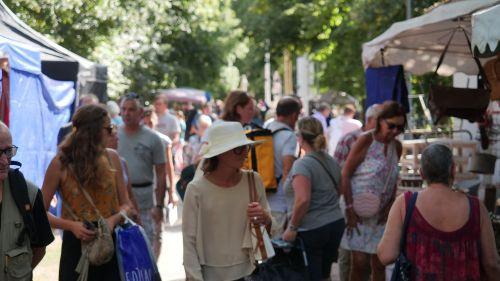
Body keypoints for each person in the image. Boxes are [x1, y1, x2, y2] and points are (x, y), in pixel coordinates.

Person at [378, 143, 500, 281]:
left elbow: (386, 255)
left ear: (422, 173)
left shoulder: (405, 204)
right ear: (453, 170)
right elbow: (491, 264)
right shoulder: (476, 207)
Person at [41, 104, 134, 280]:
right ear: (94, 132)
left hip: (110, 242)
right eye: (109, 128)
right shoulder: (60, 163)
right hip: (76, 246)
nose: (113, 132)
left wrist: (112, 220)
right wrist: (71, 226)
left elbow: (126, 204)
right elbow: (40, 212)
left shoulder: (112, 157)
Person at [183, 121, 273, 281]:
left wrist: (264, 216)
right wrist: (194, 277)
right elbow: (189, 241)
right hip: (209, 275)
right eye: (239, 148)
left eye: (246, 147)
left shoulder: (254, 180)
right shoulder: (196, 189)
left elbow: (271, 226)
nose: (245, 153)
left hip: (250, 272)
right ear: (221, 153)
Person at [340, 101, 405, 281]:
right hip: (357, 210)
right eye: (391, 125)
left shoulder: (396, 147)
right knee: (360, 263)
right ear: (380, 121)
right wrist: (350, 209)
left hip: (381, 213)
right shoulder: (366, 140)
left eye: (400, 127)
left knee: (380, 262)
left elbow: (392, 179)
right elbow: (345, 175)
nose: (395, 131)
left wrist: (390, 206)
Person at [282, 117, 345, 281]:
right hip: (335, 223)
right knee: (324, 275)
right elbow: (339, 190)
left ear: (300, 138)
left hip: (313, 229)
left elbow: (303, 199)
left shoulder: (303, 165)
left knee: (311, 276)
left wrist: (292, 228)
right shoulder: (330, 160)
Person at [0, 122, 54, 280]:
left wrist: (18, 274)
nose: (4, 161)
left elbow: (40, 247)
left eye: (8, 152)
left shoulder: (29, 193)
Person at [117, 94, 171, 252]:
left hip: (145, 201)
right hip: (119, 200)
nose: (127, 113)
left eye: (132, 109)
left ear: (141, 112)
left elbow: (161, 174)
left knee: (145, 245)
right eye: (124, 109)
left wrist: (160, 205)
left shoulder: (153, 138)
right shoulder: (113, 136)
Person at [334, 103, 381, 281]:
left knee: (371, 257)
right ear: (369, 120)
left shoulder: (383, 142)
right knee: (348, 256)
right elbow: (339, 175)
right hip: (349, 205)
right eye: (381, 121)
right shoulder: (349, 140)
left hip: (374, 210)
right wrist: (348, 207)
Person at [264, 96, 302, 238]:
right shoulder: (289, 136)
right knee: (277, 250)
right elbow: (288, 170)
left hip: (262, 197)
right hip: (279, 202)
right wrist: (292, 206)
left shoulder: (265, 128)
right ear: (294, 115)